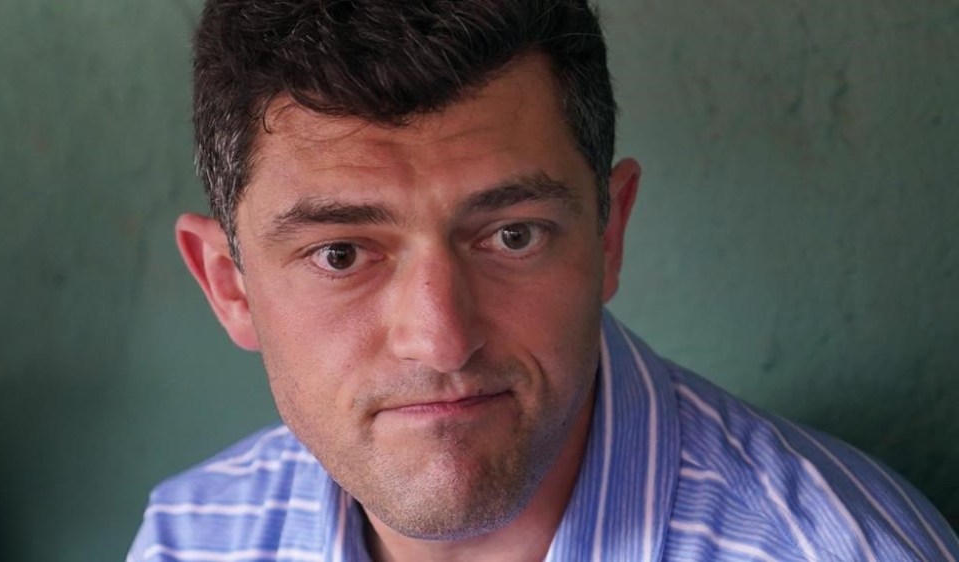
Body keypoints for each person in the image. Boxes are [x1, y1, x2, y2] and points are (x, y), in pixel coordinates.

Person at [128, 1, 959, 560]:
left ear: (609, 231)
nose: (443, 337)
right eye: (341, 253)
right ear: (228, 286)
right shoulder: (191, 537)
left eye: (511, 235)